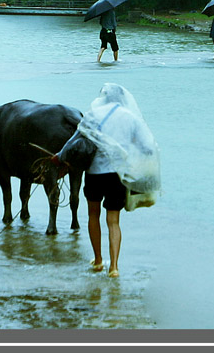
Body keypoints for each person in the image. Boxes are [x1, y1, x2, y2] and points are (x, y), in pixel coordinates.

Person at [51, 84, 161, 278]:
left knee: (93, 216)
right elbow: (147, 147)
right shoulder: (131, 117)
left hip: (94, 173)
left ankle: (99, 261)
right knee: (113, 221)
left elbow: (74, 141)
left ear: (103, 97)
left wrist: (59, 157)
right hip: (118, 175)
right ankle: (115, 268)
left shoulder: (93, 114)